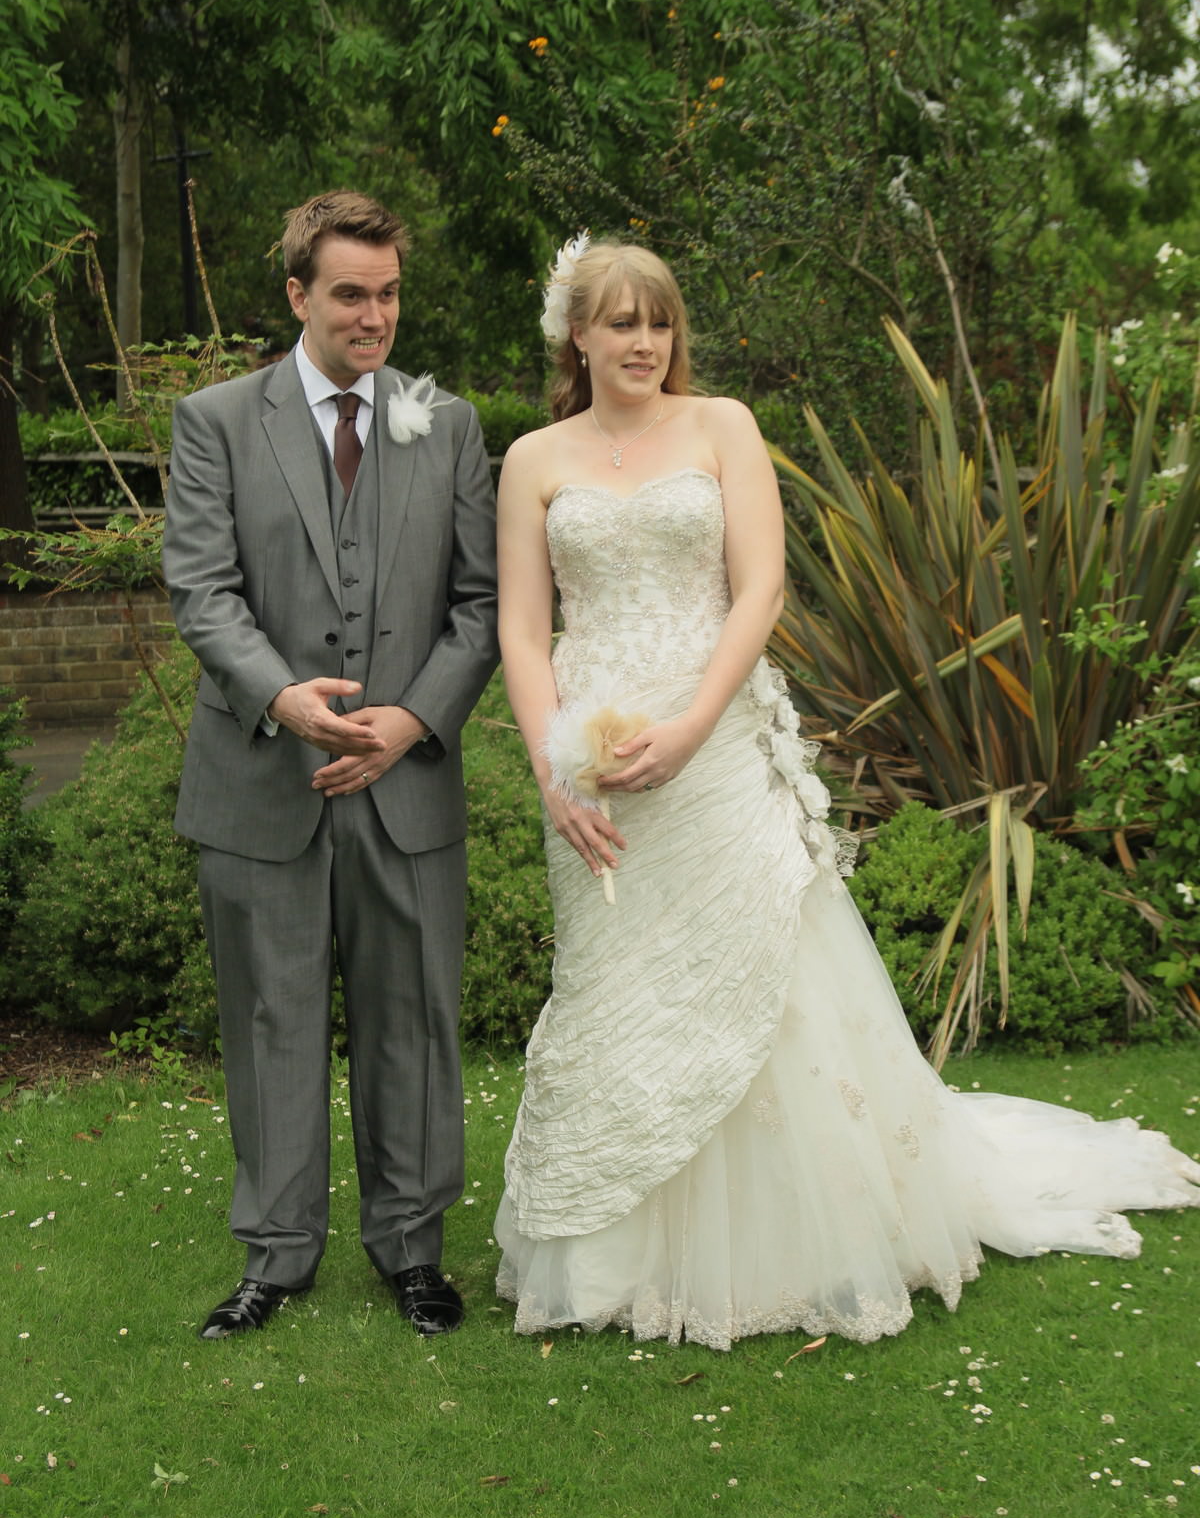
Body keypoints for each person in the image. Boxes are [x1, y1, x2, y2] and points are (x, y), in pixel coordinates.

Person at [492, 233, 1200, 1350]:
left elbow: (761, 590)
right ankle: (616, 1259)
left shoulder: (721, 426)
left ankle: (795, 1243)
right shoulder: (533, 457)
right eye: (621, 322)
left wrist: (692, 728)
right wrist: (555, 773)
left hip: (716, 749)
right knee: (617, 988)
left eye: (660, 322)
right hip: (596, 771)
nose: (645, 342)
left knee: (760, 977)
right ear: (575, 333)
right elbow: (522, 628)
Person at [163, 190, 498, 1341]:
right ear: (298, 294)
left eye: (389, 294)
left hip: (407, 784)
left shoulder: (445, 423)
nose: (375, 317)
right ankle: (275, 1254)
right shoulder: (216, 421)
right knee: (272, 1023)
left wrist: (411, 721)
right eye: (351, 294)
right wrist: (282, 698)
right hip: (262, 780)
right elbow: (202, 590)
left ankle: (414, 1251)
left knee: (414, 1023)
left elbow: (481, 604)